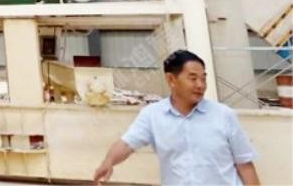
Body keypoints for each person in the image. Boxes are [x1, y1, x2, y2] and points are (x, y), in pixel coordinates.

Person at [93, 49, 260, 186]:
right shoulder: (153, 115)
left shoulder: (224, 115)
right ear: (171, 79)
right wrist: (108, 161)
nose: (200, 85)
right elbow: (127, 144)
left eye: (203, 79)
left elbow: (245, 165)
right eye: (193, 78)